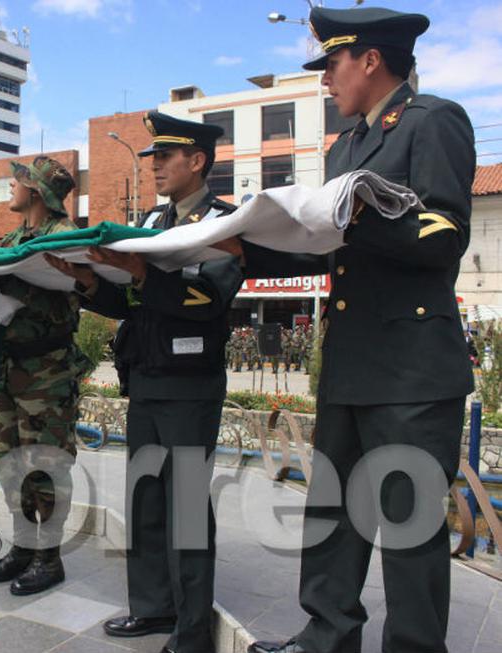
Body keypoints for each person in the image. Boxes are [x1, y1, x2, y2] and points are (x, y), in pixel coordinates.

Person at [217, 8, 475, 653]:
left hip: (412, 369)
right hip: (351, 365)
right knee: (332, 517)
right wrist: (245, 241)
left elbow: (443, 237)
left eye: (331, 65)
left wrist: (359, 216)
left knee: (409, 528)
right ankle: (325, 639)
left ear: (370, 59)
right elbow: (324, 248)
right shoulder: (345, 146)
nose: (325, 80)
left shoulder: (432, 121)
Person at [48, 113, 241, 653]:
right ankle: (153, 609)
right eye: (152, 156)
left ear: (197, 161)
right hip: (148, 380)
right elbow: (134, 303)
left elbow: (210, 298)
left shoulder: (222, 223)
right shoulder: (153, 222)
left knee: (184, 508)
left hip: (189, 383)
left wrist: (142, 274)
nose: (154, 165)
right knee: (147, 502)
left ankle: (193, 630)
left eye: (164, 156)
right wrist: (88, 282)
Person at [0, 156, 91, 595]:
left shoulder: (67, 239)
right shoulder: (12, 237)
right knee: (9, 462)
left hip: (48, 372)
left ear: (37, 191)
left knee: (46, 464)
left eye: (18, 181)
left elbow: (72, 296)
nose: (11, 186)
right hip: (12, 368)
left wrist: (17, 285)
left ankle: (50, 557)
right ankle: (23, 548)